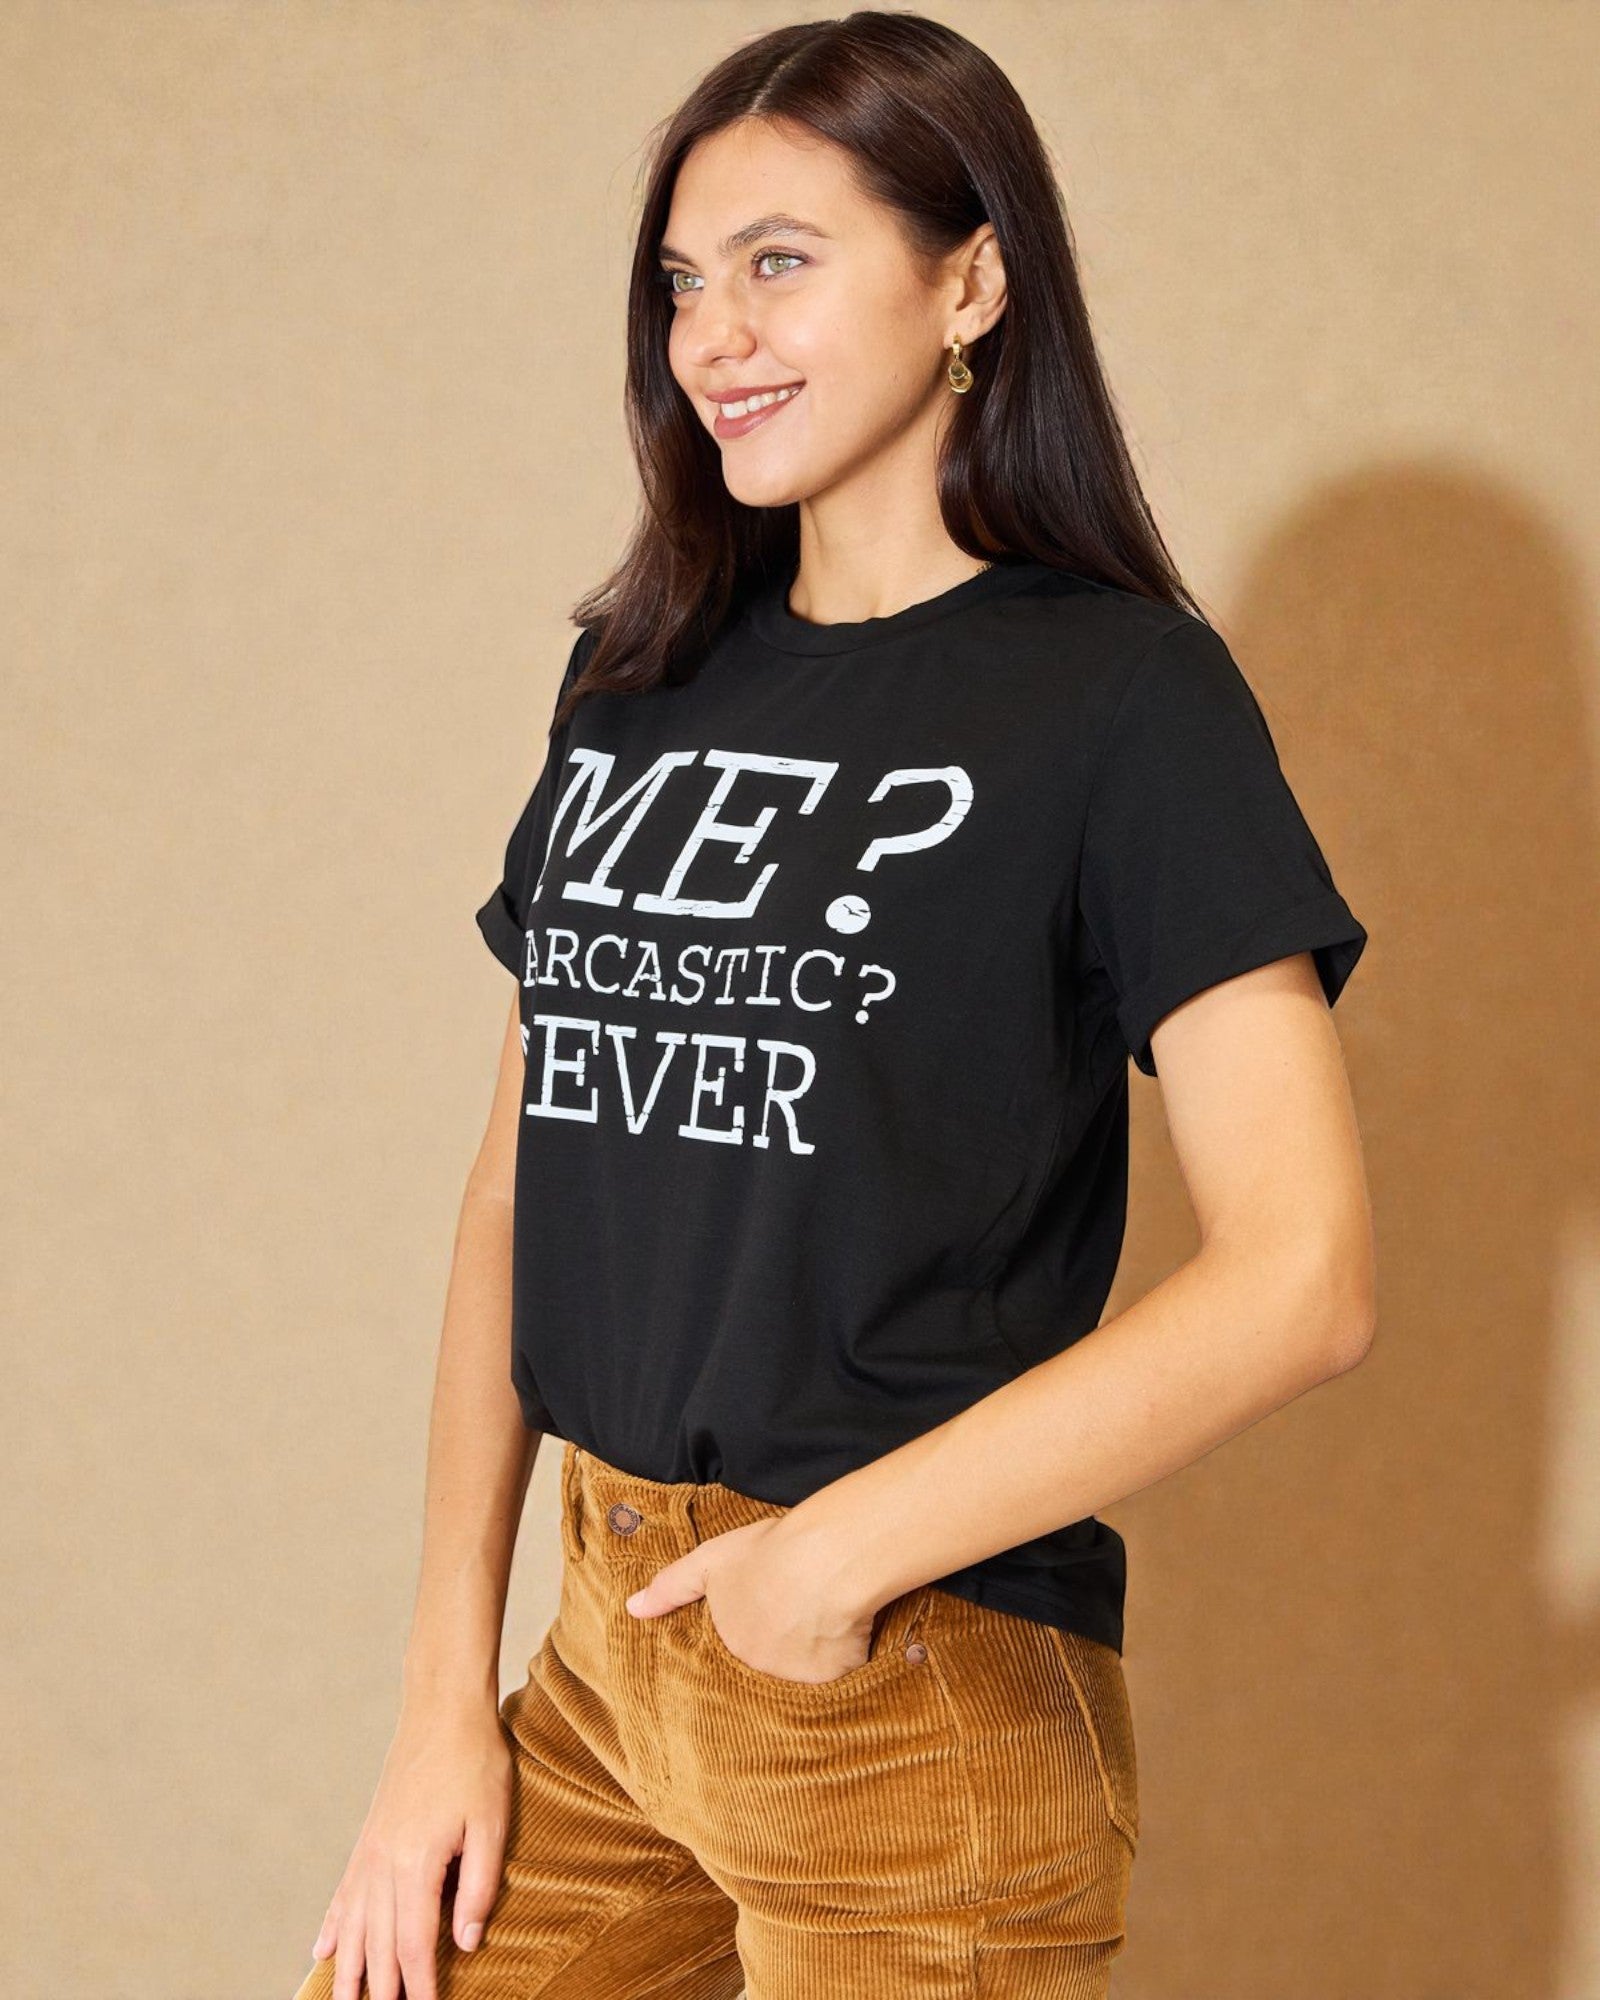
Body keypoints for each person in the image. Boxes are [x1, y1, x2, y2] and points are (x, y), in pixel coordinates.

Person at [294, 13, 1375, 1999]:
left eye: (778, 261)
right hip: (607, 1657)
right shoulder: (640, 672)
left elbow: (1300, 1272)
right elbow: (522, 1187)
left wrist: (829, 1559)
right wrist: (442, 1697)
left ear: (969, 277)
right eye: (682, 284)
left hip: (902, 1678)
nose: (711, 334)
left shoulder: (1121, 703)